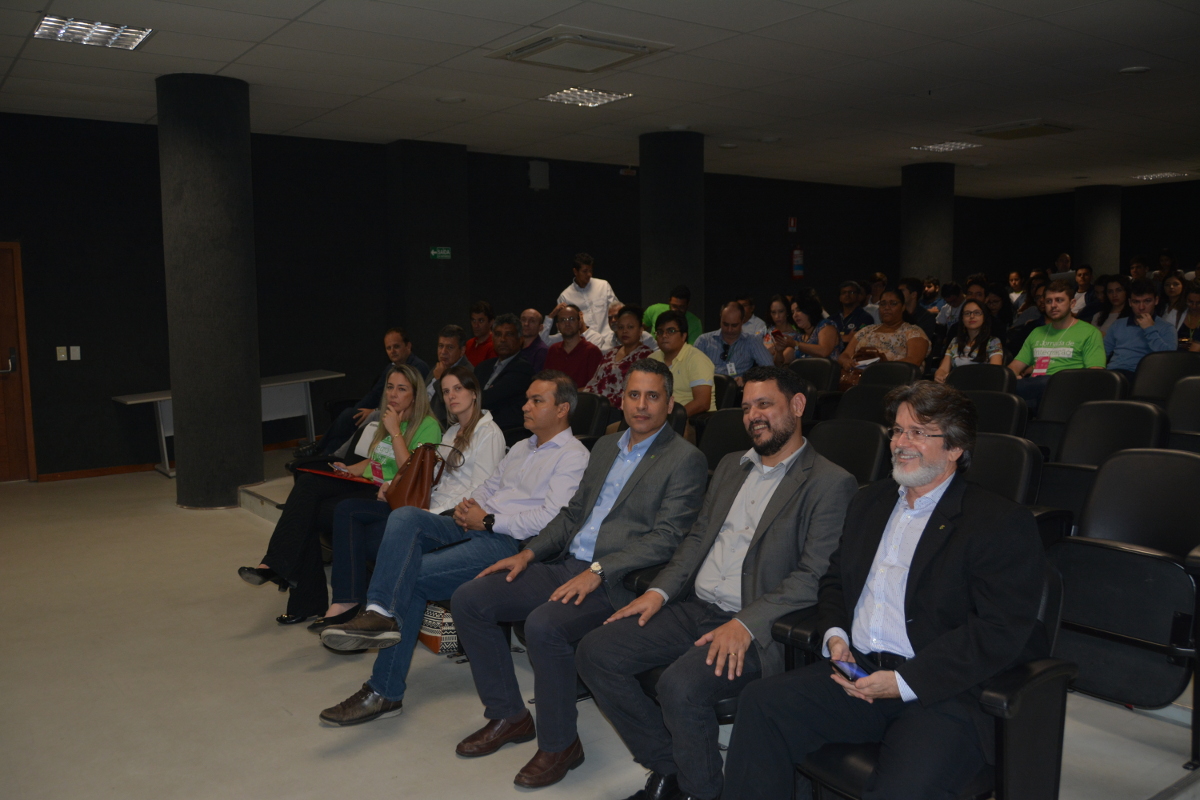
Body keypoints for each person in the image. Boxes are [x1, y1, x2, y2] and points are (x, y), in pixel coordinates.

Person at [722, 381, 1048, 800]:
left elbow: (999, 629)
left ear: (955, 447)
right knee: (761, 704)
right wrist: (835, 635)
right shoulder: (869, 502)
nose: (901, 443)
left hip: (940, 691)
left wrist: (904, 681)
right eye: (897, 431)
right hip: (857, 673)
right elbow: (835, 580)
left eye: (918, 432)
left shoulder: (998, 522)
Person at [577, 366, 858, 800]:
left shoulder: (830, 482)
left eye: (764, 404)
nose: (752, 416)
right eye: (746, 407)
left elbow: (814, 575)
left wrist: (745, 623)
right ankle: (672, 768)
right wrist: (658, 592)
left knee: (680, 687)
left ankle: (700, 792)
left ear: (798, 405)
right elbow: (695, 540)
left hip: (758, 626)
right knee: (596, 652)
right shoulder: (731, 465)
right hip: (695, 607)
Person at [451, 360, 709, 789]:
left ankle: (560, 745)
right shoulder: (605, 447)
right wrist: (529, 553)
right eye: (634, 395)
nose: (641, 405)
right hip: (566, 564)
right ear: (621, 400)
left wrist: (599, 571)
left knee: (544, 625)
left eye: (653, 396)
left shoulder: (685, 459)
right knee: (470, 599)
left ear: (669, 404)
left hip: (618, 580)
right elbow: (572, 515)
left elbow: (667, 538)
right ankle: (509, 716)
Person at [316, 372, 589, 726]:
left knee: (411, 577)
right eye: (527, 398)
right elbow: (489, 486)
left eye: (537, 401)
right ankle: (379, 612)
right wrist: (468, 507)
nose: (525, 406)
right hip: (474, 524)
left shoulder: (573, 456)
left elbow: (552, 520)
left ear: (562, 409)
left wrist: (487, 520)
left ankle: (383, 691)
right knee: (405, 518)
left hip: (509, 542)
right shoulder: (523, 447)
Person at [239, 364, 442, 623]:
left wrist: (395, 432)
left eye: (401, 389)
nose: (393, 394)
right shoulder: (391, 418)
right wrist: (350, 469)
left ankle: (294, 586)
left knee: (309, 511)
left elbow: (412, 473)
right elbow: (377, 461)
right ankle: (276, 565)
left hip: (391, 496)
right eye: (390, 387)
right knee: (308, 485)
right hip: (369, 483)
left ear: (415, 395)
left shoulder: (427, 426)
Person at [317, 365, 506, 629]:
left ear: (474, 393)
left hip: (452, 517)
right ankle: (354, 607)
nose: (451, 396)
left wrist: (432, 512)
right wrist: (392, 485)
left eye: (458, 389)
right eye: (446, 391)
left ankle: (376, 612)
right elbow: (430, 478)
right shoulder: (452, 432)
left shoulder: (489, 433)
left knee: (377, 533)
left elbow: (481, 491)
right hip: (430, 507)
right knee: (355, 525)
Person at [297, 328, 430, 458]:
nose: (392, 351)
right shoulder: (391, 367)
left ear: (408, 346)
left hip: (399, 413)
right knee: (350, 417)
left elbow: (413, 399)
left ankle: (320, 450)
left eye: (396, 346)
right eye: (388, 348)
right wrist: (358, 410)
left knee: (350, 418)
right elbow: (375, 394)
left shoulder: (418, 367)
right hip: (384, 409)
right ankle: (323, 458)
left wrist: (374, 410)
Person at [1009, 280, 1105, 412]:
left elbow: (1095, 374)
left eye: (1059, 300)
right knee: (1005, 381)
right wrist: (1014, 376)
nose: (1053, 305)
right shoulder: (1037, 332)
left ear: (1072, 303)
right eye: (1049, 301)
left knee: (1048, 382)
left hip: (1068, 391)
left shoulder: (1090, 332)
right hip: (1035, 388)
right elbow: (1014, 367)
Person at [649, 310, 716, 435]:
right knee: (614, 430)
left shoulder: (697, 359)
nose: (664, 336)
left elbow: (702, 403)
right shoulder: (652, 359)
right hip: (658, 418)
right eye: (660, 332)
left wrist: (671, 418)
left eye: (671, 331)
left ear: (684, 336)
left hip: (691, 421)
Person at [584, 305, 654, 419]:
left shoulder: (646, 356)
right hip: (596, 406)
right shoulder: (610, 353)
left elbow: (637, 391)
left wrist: (607, 403)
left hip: (621, 412)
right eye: (621, 327)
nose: (624, 331)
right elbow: (594, 382)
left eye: (630, 327)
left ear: (641, 329)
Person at [838, 289, 930, 373]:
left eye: (893, 303)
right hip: (858, 377)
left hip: (893, 379)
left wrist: (879, 368)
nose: (887, 307)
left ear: (903, 307)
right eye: (882, 304)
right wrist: (847, 362)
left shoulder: (913, 332)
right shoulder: (866, 331)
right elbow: (844, 355)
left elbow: (914, 361)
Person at [1104, 279, 1178, 381]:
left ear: (1156, 300)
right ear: (1130, 302)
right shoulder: (1118, 324)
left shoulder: (1167, 327)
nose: (1141, 307)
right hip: (1114, 373)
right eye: (1136, 302)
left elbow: (1169, 358)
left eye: (1147, 301)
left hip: (1145, 376)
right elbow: (1103, 352)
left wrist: (1149, 329)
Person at [476, 313, 535, 430]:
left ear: (520, 340)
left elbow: (488, 399)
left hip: (506, 431)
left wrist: (475, 399)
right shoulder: (482, 367)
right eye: (498, 334)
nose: (502, 340)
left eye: (509, 334)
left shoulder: (523, 369)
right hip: (477, 427)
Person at [694, 301, 774, 386]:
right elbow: (690, 368)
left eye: (734, 325)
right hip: (707, 388)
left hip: (738, 390)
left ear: (742, 321)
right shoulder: (704, 341)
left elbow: (770, 370)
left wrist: (748, 380)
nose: (729, 329)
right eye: (725, 324)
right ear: (720, 319)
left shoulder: (752, 341)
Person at [934, 299, 1003, 383]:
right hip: (955, 385)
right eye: (967, 313)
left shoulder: (993, 342)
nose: (972, 316)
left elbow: (995, 372)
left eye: (977, 313)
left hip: (980, 386)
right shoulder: (955, 341)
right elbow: (943, 369)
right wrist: (939, 375)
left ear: (984, 317)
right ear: (962, 318)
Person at [554, 252, 620, 340]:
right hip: (584, 342)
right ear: (575, 271)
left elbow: (618, 310)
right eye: (585, 271)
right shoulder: (565, 297)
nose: (589, 274)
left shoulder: (603, 286)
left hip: (609, 339)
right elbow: (563, 328)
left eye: (591, 270)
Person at [545, 303, 604, 390]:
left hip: (582, 398)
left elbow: (596, 386)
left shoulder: (592, 351)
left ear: (579, 323)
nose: (567, 323)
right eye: (563, 320)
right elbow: (546, 381)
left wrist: (567, 395)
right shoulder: (553, 350)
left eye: (571, 319)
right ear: (558, 326)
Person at [427, 324, 472, 426]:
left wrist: (440, 380)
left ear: (462, 351)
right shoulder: (438, 367)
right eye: (441, 346)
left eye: (450, 347)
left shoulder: (467, 373)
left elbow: (451, 409)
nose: (443, 352)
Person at [829, 281, 874, 358]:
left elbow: (858, 339)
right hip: (831, 358)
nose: (847, 295)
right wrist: (844, 337)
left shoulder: (866, 318)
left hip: (852, 358)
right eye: (844, 293)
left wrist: (835, 338)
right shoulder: (832, 319)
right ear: (840, 298)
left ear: (858, 296)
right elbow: (824, 340)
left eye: (851, 292)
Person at [789, 294, 838, 361]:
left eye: (799, 310)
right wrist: (779, 351)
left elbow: (824, 352)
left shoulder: (826, 325)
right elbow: (782, 362)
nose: (795, 315)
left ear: (809, 310)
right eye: (792, 312)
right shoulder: (798, 337)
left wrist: (795, 344)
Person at [1007, 280, 1048, 355]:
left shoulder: (1066, 326)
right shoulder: (1032, 326)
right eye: (1038, 297)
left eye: (1044, 296)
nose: (1041, 300)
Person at [898, 277, 937, 341]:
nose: (898, 294)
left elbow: (922, 340)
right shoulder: (897, 314)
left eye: (902, 291)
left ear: (913, 294)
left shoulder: (926, 317)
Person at [763, 294, 797, 363]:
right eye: (773, 312)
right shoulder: (765, 330)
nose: (777, 316)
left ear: (787, 312)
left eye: (781, 311)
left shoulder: (796, 335)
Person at [465, 300, 497, 366]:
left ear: (491, 322)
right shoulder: (469, 343)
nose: (476, 325)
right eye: (473, 320)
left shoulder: (494, 346)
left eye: (481, 321)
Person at [519, 308, 549, 372]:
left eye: (532, 321)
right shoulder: (514, 347)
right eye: (523, 320)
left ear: (540, 327)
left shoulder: (542, 351)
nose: (526, 324)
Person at [1179, 283, 1200, 350]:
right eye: (1190, 302)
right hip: (1176, 353)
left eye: (1198, 303)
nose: (1194, 306)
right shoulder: (1177, 314)